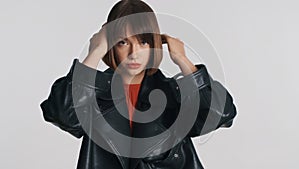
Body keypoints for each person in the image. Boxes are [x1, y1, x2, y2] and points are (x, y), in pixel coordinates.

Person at [40, 0, 237, 168]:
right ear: (112, 45)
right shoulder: (93, 94)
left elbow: (221, 115)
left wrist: (183, 60)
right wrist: (95, 52)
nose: (134, 53)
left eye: (143, 42)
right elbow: (60, 114)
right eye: (123, 42)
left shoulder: (173, 93)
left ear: (153, 45)